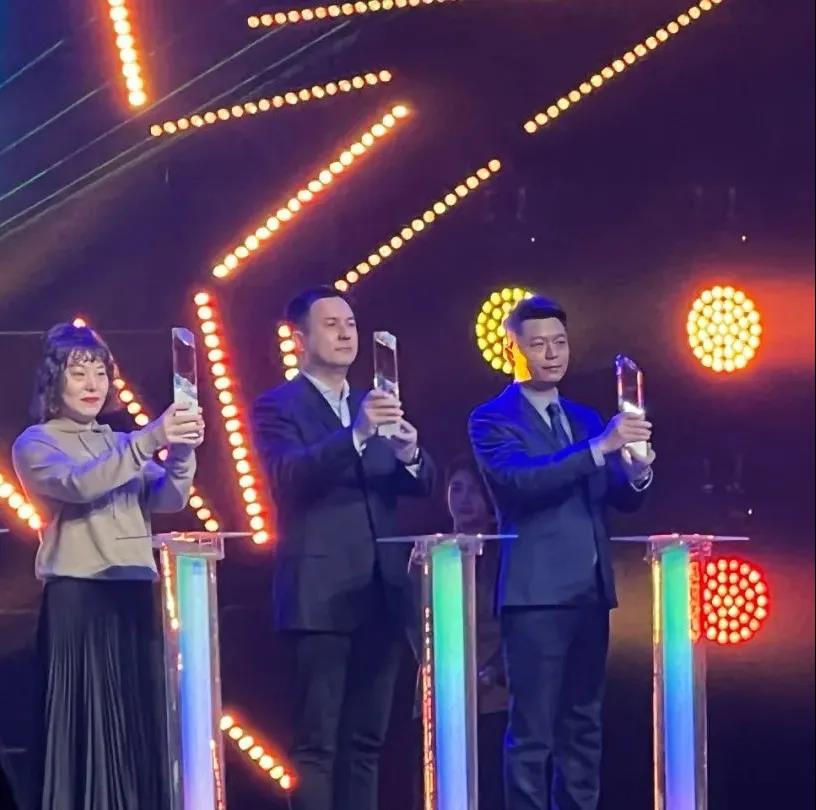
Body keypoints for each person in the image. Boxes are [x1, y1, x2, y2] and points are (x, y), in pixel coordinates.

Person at [251, 286, 435, 810]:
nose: (345, 333)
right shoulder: (277, 405)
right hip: (319, 596)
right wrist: (355, 434)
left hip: (381, 592)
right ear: (299, 338)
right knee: (316, 745)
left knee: (367, 742)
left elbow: (424, 484)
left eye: (350, 324)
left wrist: (410, 452)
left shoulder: (372, 402)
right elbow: (288, 477)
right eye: (331, 325)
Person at [468, 296, 655, 810]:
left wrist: (637, 469)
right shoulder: (491, 419)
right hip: (535, 596)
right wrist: (599, 448)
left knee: (583, 727)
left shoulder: (584, 416)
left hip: (590, 592)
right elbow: (520, 482)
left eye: (560, 342)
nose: (552, 354)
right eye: (539, 345)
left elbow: (616, 495)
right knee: (532, 732)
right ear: (514, 350)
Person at [12, 323, 204, 810]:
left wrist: (181, 452)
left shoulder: (118, 441)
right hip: (80, 598)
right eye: (79, 374)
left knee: (135, 722)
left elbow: (168, 497)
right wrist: (149, 439)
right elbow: (79, 485)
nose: (93, 384)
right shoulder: (36, 443)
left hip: (134, 593)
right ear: (54, 382)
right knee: (86, 723)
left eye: (100, 373)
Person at [446, 455, 507, 810]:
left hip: (495, 696)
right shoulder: (431, 555)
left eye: (474, 490)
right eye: (456, 488)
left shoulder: (507, 553)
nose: (464, 499)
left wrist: (491, 672)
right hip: (443, 698)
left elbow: (514, 628)